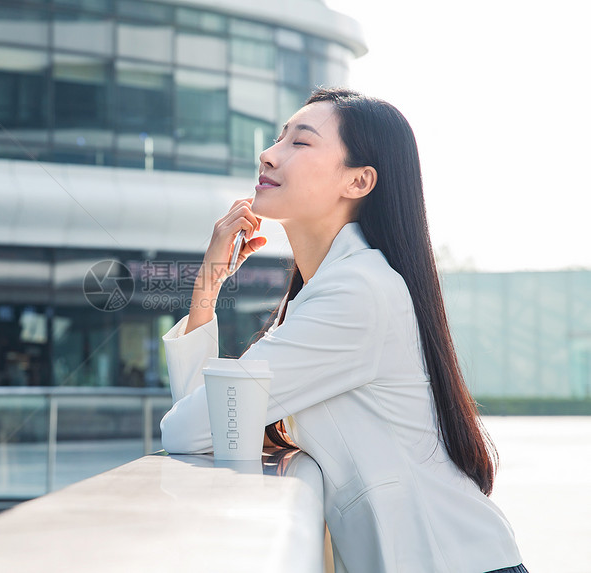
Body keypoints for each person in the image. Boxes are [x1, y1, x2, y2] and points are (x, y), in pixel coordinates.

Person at [159, 88, 527, 573]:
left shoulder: (357, 294)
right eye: (279, 137)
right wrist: (208, 283)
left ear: (358, 181)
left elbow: (189, 428)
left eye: (300, 143)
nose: (268, 153)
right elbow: (210, 424)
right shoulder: (329, 290)